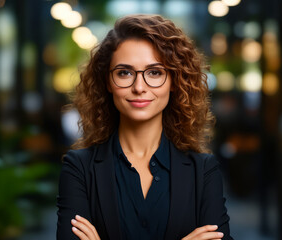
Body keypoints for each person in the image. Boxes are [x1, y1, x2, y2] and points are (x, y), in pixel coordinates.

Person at [57, 14, 233, 240]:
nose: (139, 87)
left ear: (174, 81)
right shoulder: (79, 168)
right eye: (124, 72)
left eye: (155, 72)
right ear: (108, 82)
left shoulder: (204, 171)